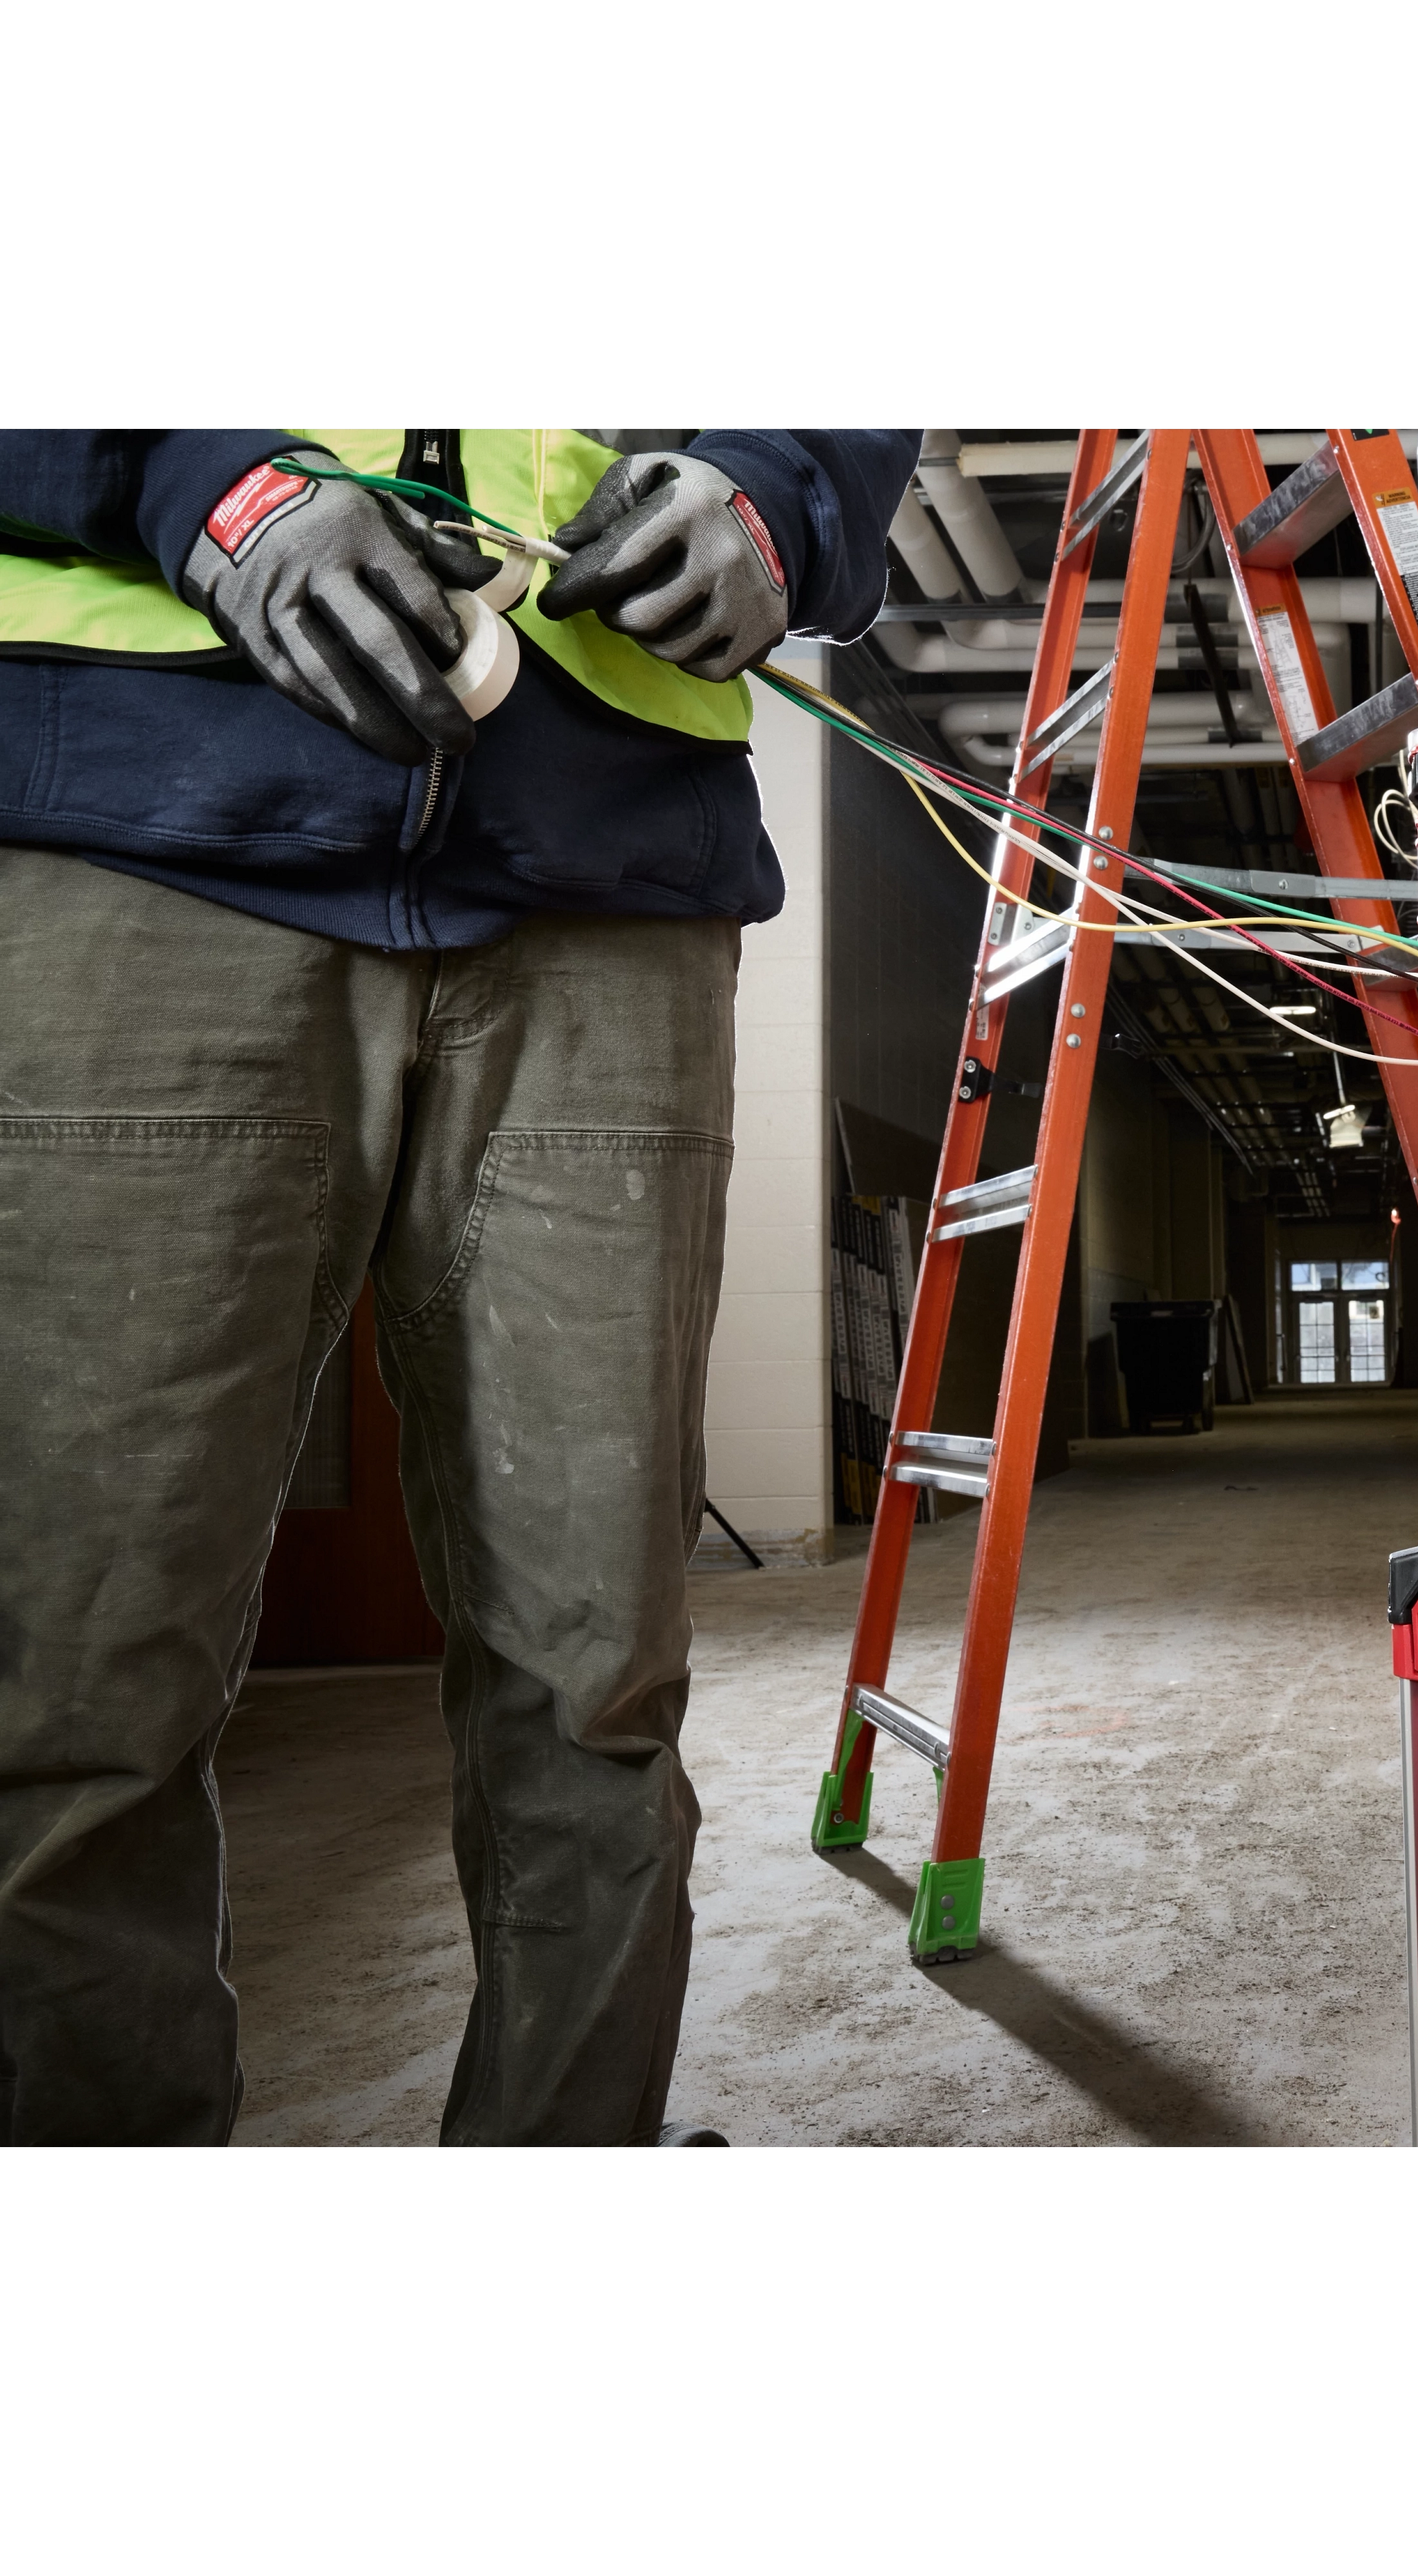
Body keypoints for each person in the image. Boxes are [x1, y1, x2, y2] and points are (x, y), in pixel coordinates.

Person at [0, 425, 920, 2146]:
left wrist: (777, 496)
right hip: (137, 824)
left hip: (608, 868)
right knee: (73, 1681)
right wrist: (208, 484)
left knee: (598, 1683)